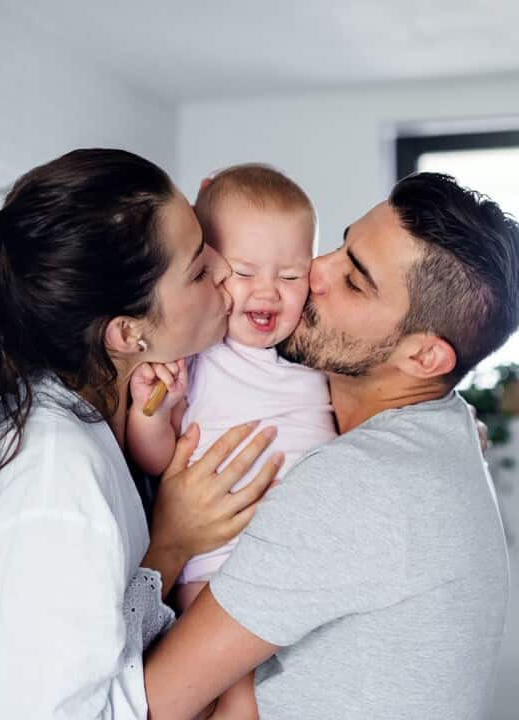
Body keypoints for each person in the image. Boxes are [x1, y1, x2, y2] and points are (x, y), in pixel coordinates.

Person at [0, 149, 285, 719]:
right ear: (126, 333)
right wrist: (169, 543)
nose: (226, 268)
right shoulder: (52, 477)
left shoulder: (91, 414)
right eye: (197, 267)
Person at [144, 172, 519, 720]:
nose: (315, 272)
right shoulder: (442, 430)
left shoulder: (358, 484)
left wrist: (168, 543)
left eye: (355, 282)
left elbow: (148, 705)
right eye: (338, 245)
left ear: (425, 359)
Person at [126, 164, 337, 718]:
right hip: (214, 564)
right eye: (242, 272)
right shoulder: (197, 355)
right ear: (206, 267)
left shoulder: (315, 356)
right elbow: (154, 458)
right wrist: (154, 413)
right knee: (239, 704)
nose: (267, 292)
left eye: (291, 276)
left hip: (299, 563)